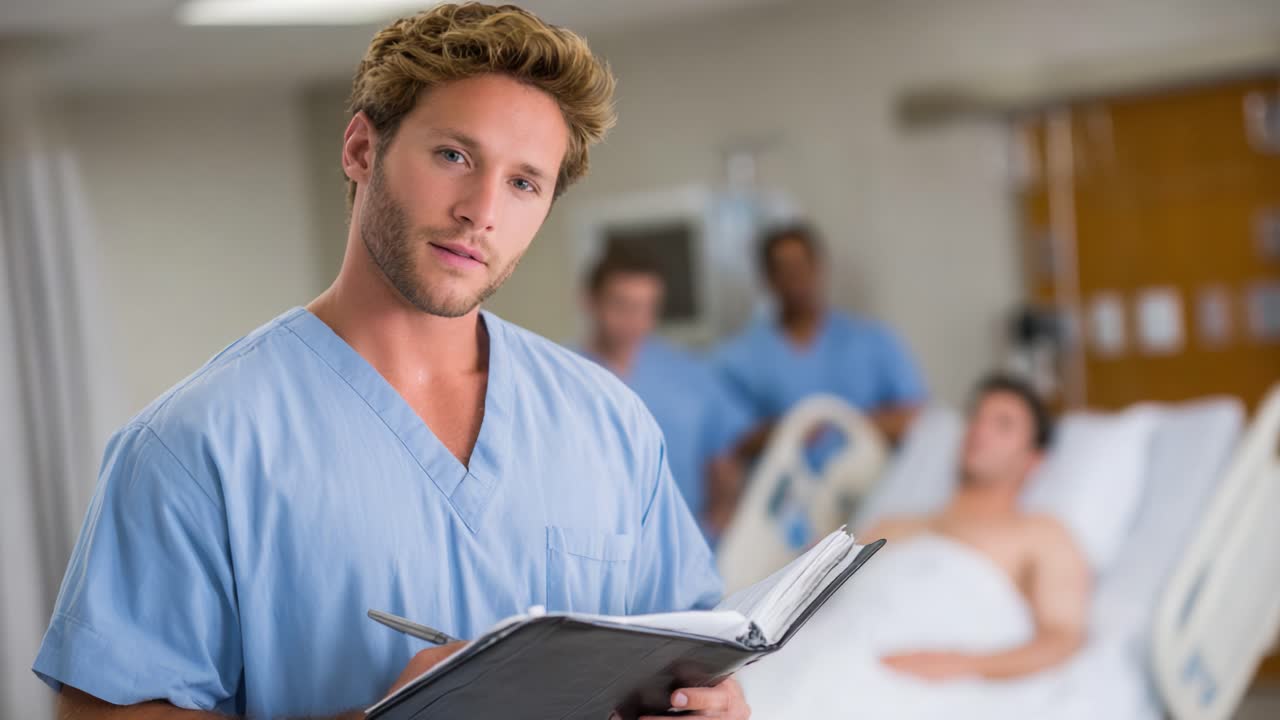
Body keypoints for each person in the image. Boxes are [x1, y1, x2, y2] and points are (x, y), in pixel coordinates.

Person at [33, 5, 749, 719]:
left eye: (523, 183)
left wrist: (713, 705)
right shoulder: (194, 445)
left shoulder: (609, 423)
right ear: (360, 150)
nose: (481, 211)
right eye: (454, 156)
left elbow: (689, 654)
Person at [869, 373, 1089, 680]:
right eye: (977, 417)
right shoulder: (894, 525)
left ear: (1033, 460)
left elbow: (1063, 638)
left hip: (921, 678)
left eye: (1003, 424)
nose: (980, 429)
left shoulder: (1042, 534)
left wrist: (964, 665)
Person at [580, 250, 752, 539]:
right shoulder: (559, 377)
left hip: (687, 544)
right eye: (621, 305)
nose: (635, 321)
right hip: (595, 547)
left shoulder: (690, 373)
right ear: (590, 301)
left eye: (646, 308)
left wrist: (721, 517)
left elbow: (723, 457)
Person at [714, 223, 926, 456]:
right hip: (788, 489)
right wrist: (791, 430)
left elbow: (917, 416)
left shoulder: (871, 342)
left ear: (819, 267)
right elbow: (731, 439)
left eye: (801, 266)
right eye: (783, 269)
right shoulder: (740, 359)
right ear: (767, 279)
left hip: (872, 486)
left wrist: (850, 425)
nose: (795, 278)